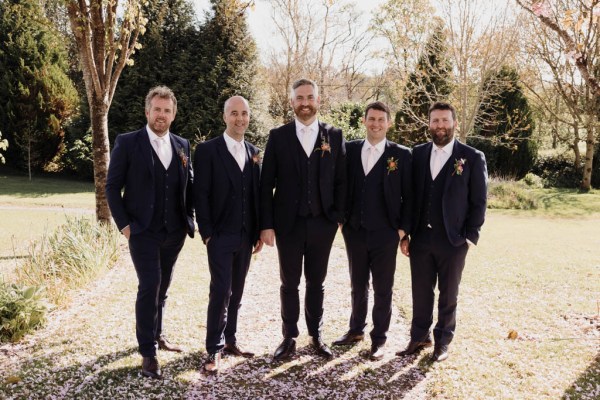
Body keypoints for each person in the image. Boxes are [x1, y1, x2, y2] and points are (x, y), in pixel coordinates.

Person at [106, 86, 195, 379]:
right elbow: (112, 187)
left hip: (175, 231)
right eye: (157, 109)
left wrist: (190, 219)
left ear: (174, 114)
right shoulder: (128, 142)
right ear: (147, 111)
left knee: (164, 284)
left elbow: (189, 187)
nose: (162, 115)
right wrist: (125, 226)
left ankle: (158, 334)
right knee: (150, 285)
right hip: (142, 231)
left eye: (167, 110)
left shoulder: (182, 145)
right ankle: (148, 352)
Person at [260, 78, 346, 361]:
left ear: (318, 101)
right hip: (288, 223)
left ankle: (316, 335)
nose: (305, 102)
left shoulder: (334, 135)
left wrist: (337, 217)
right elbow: (265, 184)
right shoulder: (278, 136)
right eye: (300, 98)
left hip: (323, 222)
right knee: (289, 282)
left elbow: (342, 182)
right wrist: (267, 224)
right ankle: (288, 337)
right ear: (292, 102)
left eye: (309, 97)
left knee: (317, 282)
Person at [397, 101, 487, 362]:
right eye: (435, 121)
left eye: (445, 120)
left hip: (453, 240)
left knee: (449, 293)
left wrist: (470, 237)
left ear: (454, 123)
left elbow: (479, 201)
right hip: (421, 239)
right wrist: (406, 234)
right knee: (420, 290)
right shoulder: (418, 154)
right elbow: (410, 197)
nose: (440, 126)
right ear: (429, 123)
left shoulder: (471, 157)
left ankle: (443, 342)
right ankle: (419, 337)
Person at [332, 101, 412, 361]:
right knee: (357, 284)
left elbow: (411, 198)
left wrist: (402, 231)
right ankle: (356, 330)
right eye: (372, 119)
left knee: (383, 288)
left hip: (386, 233)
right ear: (364, 121)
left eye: (381, 119)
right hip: (354, 230)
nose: (376, 124)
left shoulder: (401, 155)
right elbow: (340, 184)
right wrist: (342, 220)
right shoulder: (351, 150)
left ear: (389, 123)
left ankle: (379, 339)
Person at [193, 96, 263, 373]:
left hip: (246, 236)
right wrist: (208, 233)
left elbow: (257, 195)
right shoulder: (208, 150)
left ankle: (231, 340)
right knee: (220, 290)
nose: (240, 119)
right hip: (219, 235)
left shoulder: (254, 151)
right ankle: (213, 349)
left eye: (244, 113)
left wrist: (257, 231)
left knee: (237, 291)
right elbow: (201, 194)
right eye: (234, 113)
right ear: (225, 117)